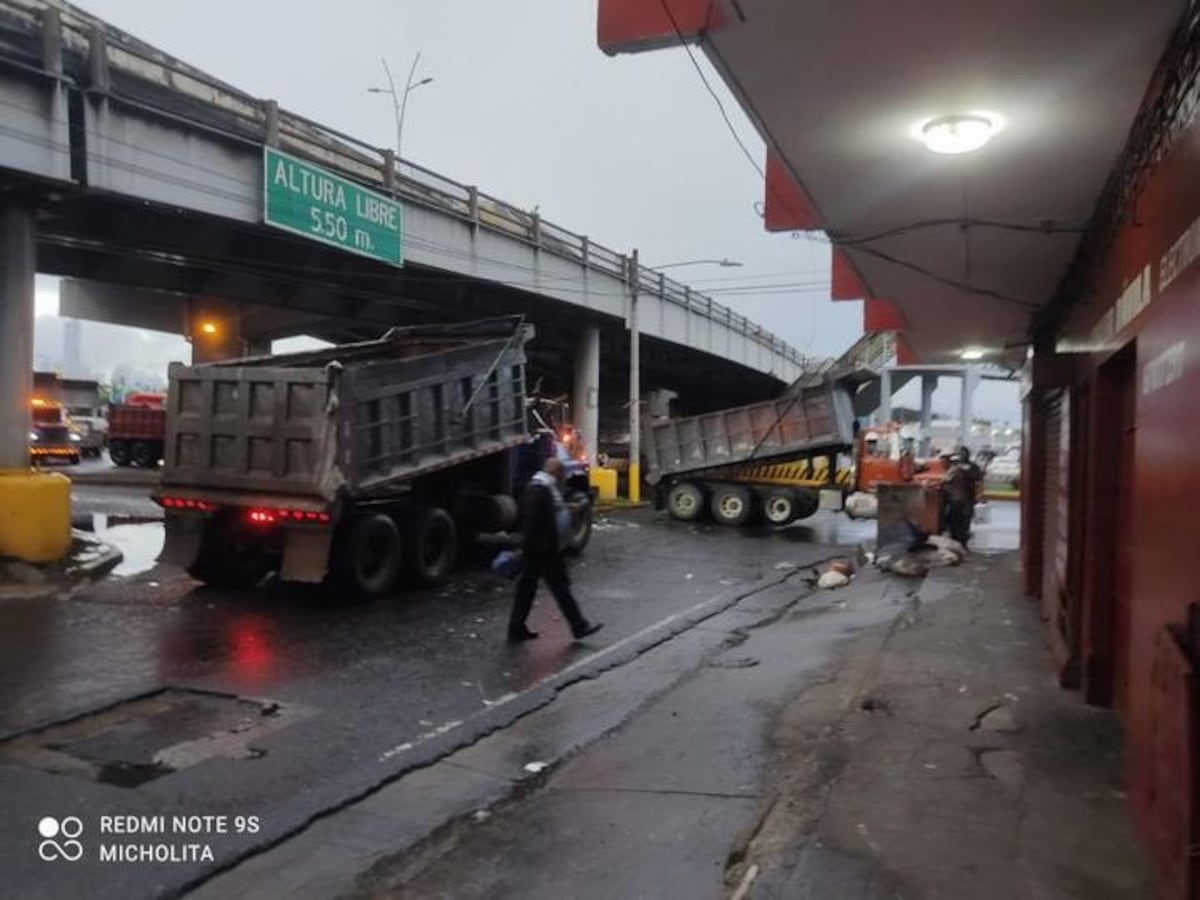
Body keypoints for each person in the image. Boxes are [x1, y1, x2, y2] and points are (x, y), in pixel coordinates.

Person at [507, 457, 603, 643]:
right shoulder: (539, 489)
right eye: (561, 474)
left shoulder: (543, 487)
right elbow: (531, 521)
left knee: (527, 589)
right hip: (544, 550)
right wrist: (523, 546)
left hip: (543, 549)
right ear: (556, 473)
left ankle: (516, 628)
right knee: (560, 589)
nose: (563, 479)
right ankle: (579, 626)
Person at [943, 446, 983, 546]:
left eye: (964, 453)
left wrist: (979, 495)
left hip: (964, 498)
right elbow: (946, 480)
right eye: (961, 454)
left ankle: (960, 540)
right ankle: (959, 540)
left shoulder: (962, 467)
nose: (962, 456)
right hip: (958, 499)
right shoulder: (956, 467)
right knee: (956, 520)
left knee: (962, 521)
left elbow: (978, 482)